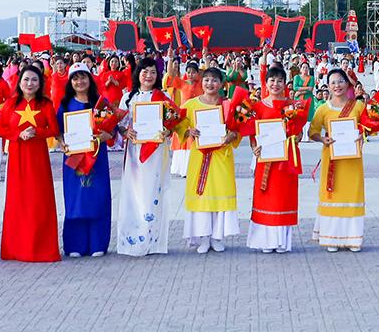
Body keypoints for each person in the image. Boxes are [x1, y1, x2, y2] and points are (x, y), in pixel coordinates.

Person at [0, 63, 61, 262]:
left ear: (40, 83)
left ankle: (41, 248)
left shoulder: (46, 104)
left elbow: (54, 130)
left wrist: (37, 133)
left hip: (38, 158)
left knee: (39, 201)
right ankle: (16, 248)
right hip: (17, 158)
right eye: (26, 79)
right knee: (18, 201)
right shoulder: (10, 104)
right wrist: (18, 134)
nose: (30, 83)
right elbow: (1, 129)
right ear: (19, 82)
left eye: (34, 80)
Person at [246, 64, 309, 253]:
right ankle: (265, 241)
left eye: (279, 81)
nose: (275, 84)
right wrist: (254, 147)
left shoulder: (293, 106)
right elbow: (252, 133)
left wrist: (296, 136)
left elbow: (297, 131)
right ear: (266, 83)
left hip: (286, 158)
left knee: (283, 197)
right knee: (266, 197)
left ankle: (282, 241)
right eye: (272, 80)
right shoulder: (256, 106)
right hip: (265, 159)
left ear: (285, 84)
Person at [179, 67, 242, 253]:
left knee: (220, 194)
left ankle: (217, 236)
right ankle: (203, 237)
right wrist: (188, 131)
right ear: (201, 82)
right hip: (200, 157)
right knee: (202, 197)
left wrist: (232, 135)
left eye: (214, 80)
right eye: (206, 80)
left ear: (222, 83)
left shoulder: (229, 105)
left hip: (221, 157)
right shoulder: (191, 105)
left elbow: (238, 129)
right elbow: (179, 126)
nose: (210, 83)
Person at [117, 56, 172, 257]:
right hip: (134, 153)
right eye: (144, 71)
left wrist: (167, 131)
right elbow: (118, 122)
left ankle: (153, 240)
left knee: (152, 193)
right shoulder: (128, 98)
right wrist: (124, 132)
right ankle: (131, 240)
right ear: (137, 74)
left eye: (152, 72)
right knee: (134, 194)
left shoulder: (162, 96)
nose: (148, 76)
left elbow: (173, 122)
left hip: (155, 152)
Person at [308, 68, 367, 252]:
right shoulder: (323, 109)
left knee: (352, 194)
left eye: (340, 81)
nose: (337, 85)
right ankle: (331, 238)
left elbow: (368, 126)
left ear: (347, 83)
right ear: (328, 86)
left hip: (352, 160)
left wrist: (361, 135)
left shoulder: (358, 106)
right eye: (333, 82)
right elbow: (313, 131)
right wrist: (322, 139)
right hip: (332, 159)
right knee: (333, 194)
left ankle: (353, 239)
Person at [57, 64, 113, 257]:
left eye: (83, 77)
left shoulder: (100, 103)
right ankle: (75, 245)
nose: (79, 82)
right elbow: (58, 132)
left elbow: (112, 129)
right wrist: (62, 143)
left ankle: (98, 243)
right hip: (74, 159)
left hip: (97, 157)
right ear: (70, 82)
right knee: (76, 199)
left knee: (97, 198)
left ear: (90, 79)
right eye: (75, 78)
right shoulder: (65, 105)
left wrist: (107, 135)